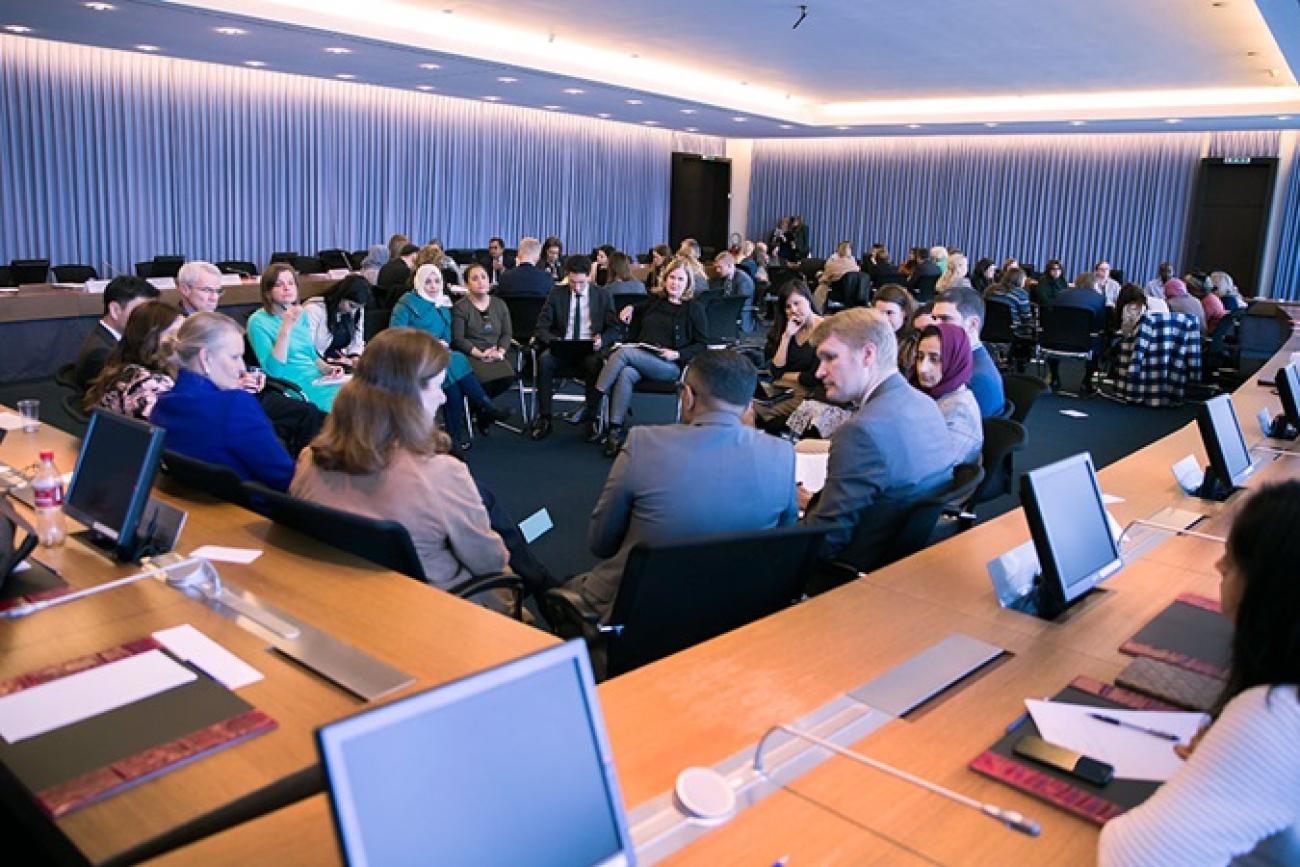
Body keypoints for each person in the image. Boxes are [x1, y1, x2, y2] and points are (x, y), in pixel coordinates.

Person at [1098, 480, 1300, 867]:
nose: (1219, 564)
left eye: (1237, 555)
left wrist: (1237, 759)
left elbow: (1138, 858)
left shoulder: (1277, 713)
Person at [290, 328, 541, 610]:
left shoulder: (309, 461)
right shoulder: (441, 473)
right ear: (408, 398)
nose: (444, 398)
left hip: (344, 608)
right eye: (437, 387)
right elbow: (490, 563)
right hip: (437, 616)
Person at [565, 349, 799, 622]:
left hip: (636, 614)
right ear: (749, 407)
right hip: (732, 617)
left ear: (687, 397)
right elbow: (781, 545)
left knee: (566, 587)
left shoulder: (644, 443)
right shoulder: (783, 454)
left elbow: (601, 542)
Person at [798, 308, 955, 583]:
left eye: (830, 358)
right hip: (899, 568)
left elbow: (823, 543)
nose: (820, 371)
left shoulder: (860, 432)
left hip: (843, 579)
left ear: (868, 354)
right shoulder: (926, 405)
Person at [177, 260, 325, 453]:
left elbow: (237, 362)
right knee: (300, 418)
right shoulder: (177, 327)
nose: (214, 298)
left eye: (218, 291)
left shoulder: (219, 319)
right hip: (222, 397)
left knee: (308, 414)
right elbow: (188, 377)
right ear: (185, 289)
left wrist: (250, 374)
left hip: (247, 389)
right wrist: (236, 382)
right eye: (207, 291)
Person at [151, 312, 296, 491]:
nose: (242, 368)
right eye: (235, 357)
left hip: (201, 506)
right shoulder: (235, 405)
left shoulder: (162, 407)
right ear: (205, 358)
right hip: (257, 511)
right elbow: (286, 477)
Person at [594, 256, 709, 457]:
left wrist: (677, 354)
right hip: (642, 359)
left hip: (670, 366)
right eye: (672, 278)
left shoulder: (694, 309)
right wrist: (630, 307)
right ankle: (614, 432)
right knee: (626, 373)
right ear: (665, 279)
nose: (675, 283)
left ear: (688, 284)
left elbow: (702, 345)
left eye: (680, 279)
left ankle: (592, 403)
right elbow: (639, 307)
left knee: (623, 353)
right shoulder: (656, 302)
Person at [391, 264, 507, 449]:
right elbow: (395, 335)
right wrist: (427, 344)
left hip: (439, 355)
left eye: (437, 281)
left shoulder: (443, 303)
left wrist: (443, 343)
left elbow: (447, 334)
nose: (433, 286)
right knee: (456, 360)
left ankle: (454, 441)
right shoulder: (406, 303)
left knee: (453, 386)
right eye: (428, 282)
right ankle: (485, 406)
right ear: (419, 282)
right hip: (413, 355)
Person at [526, 254, 621, 441]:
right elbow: (541, 327)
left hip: (590, 348)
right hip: (563, 346)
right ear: (567, 276)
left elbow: (614, 329)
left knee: (595, 364)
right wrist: (553, 340)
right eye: (573, 282)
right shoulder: (556, 293)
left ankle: (591, 419)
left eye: (581, 282)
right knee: (544, 361)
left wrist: (602, 339)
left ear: (589, 277)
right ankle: (545, 418)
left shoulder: (602, 295)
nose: (577, 287)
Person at [246, 264, 346, 412]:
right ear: (268, 292)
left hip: (318, 378)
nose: (287, 288)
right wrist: (286, 327)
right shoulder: (257, 321)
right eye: (279, 285)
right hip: (295, 384)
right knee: (347, 406)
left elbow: (311, 354)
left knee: (363, 394)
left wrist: (328, 369)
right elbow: (274, 371)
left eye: (291, 283)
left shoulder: (302, 314)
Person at [84, 301, 180, 420]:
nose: (184, 340)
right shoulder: (150, 385)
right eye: (175, 333)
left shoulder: (124, 369)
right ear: (151, 339)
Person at [73, 275, 161, 391]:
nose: (149, 319)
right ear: (115, 310)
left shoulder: (118, 339)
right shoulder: (101, 353)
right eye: (141, 312)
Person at [912, 323, 983, 465]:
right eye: (920, 357)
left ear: (955, 360)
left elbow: (935, 468)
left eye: (934, 359)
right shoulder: (933, 394)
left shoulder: (960, 410)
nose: (922, 368)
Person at [932, 287, 1006, 416]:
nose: (935, 326)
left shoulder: (976, 379)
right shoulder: (966, 361)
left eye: (945, 319)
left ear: (972, 324)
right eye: (934, 319)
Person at [451, 263, 515, 396]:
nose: (480, 281)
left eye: (483, 277)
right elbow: (459, 339)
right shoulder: (460, 307)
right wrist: (481, 355)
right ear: (467, 285)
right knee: (482, 380)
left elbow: (507, 333)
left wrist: (500, 352)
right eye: (474, 279)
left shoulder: (500, 304)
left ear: (489, 281)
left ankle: (483, 411)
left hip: (495, 352)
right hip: (471, 354)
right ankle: (483, 411)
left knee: (508, 377)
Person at [1044, 273, 1108, 394]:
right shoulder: (1099, 299)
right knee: (1099, 338)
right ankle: (1086, 382)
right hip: (1083, 345)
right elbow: (1100, 326)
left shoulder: (1060, 295)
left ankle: (1054, 377)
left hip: (1054, 343)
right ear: (1094, 284)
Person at [302, 274, 369, 363]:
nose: (353, 311)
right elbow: (306, 347)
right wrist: (331, 362)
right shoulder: (314, 309)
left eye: (358, 307)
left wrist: (354, 358)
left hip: (339, 361)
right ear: (341, 295)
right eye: (351, 306)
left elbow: (357, 341)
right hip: (315, 362)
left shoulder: (356, 309)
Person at [873, 283, 919, 367]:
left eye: (889, 313)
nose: (883, 319)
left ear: (904, 313)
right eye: (878, 313)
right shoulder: (873, 337)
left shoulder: (914, 343)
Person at [713, 251, 756, 330]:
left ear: (729, 265)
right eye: (716, 267)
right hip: (728, 313)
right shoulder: (725, 278)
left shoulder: (743, 280)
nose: (717, 270)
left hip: (740, 319)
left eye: (720, 267)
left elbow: (740, 304)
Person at [376, 242, 418, 308]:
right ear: (414, 256)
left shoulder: (386, 266)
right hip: (394, 307)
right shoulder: (405, 271)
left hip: (381, 306)